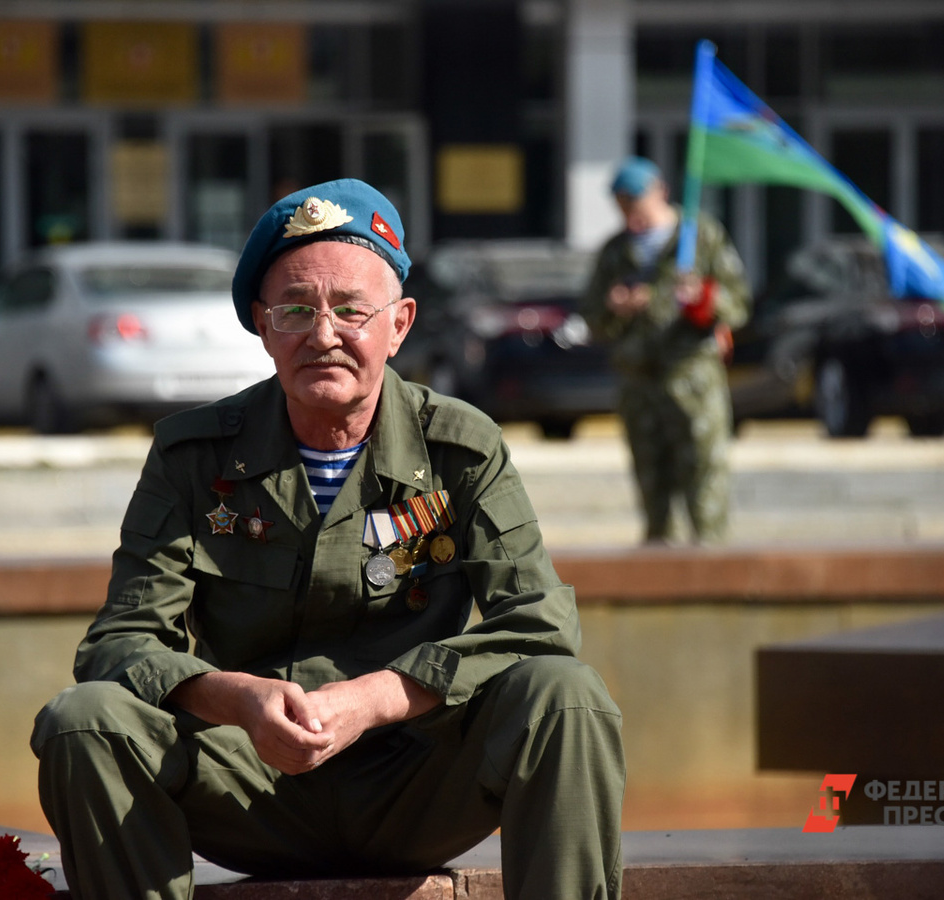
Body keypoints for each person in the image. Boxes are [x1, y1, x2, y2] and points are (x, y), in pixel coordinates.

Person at [32, 178, 625, 900]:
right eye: (295, 310)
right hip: (251, 784)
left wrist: (376, 698)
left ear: (399, 324)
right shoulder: (194, 458)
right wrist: (235, 698)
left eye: (351, 310)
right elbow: (118, 642)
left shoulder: (460, 448)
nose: (323, 335)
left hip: (418, 780)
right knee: (83, 720)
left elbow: (540, 624)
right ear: (262, 323)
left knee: (566, 696)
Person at [581, 157, 751, 544]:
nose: (629, 212)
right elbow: (592, 316)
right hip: (640, 383)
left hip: (691, 380)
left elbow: (738, 303)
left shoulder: (700, 237)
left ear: (660, 192)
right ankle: (660, 563)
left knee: (704, 481)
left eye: (636, 201)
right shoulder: (616, 251)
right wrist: (615, 307)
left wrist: (703, 301)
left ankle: (711, 571)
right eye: (622, 204)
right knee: (653, 489)